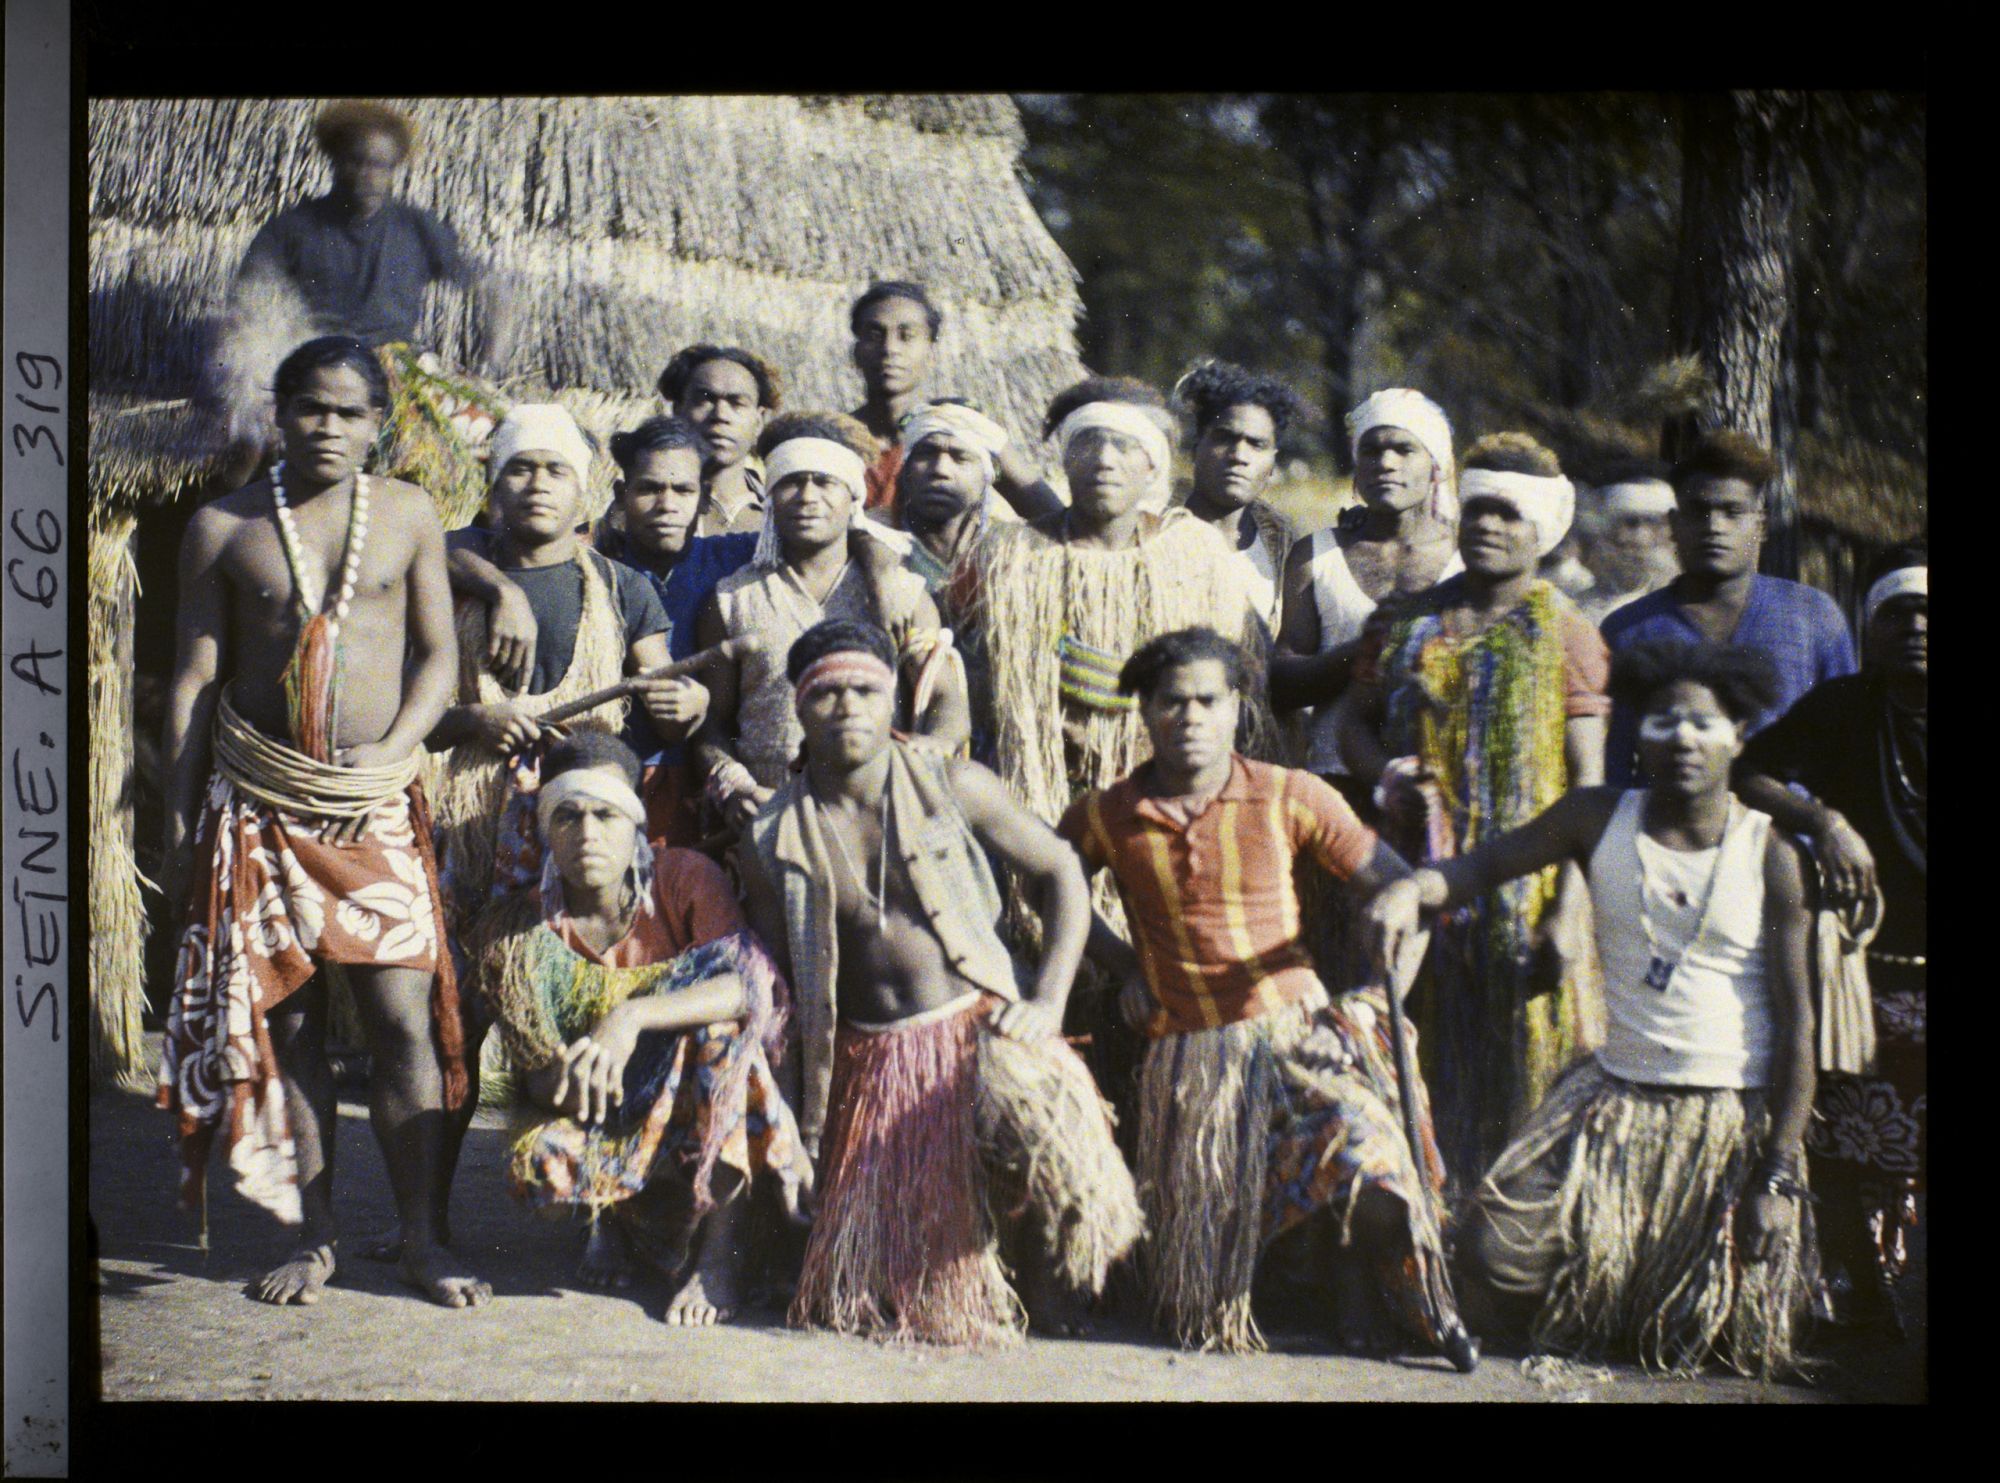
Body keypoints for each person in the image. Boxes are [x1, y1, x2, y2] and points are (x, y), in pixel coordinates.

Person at [1366, 639, 1819, 1377]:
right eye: (1663, 722)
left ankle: (1642, 1286)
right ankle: (1609, 1286)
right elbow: (1482, 865)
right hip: (1613, 1097)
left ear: (1739, 735)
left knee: (1703, 1337)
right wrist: (1412, 889)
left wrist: (1776, 1175)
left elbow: (1801, 1028)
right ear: (1637, 733)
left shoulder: (1770, 853)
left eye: (1704, 724)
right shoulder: (1596, 815)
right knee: (1489, 1257)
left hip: (1728, 1119)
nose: (1682, 741)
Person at [156, 335, 486, 1308]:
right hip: (257, 802)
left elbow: (437, 661)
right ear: (279, 410)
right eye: (311, 407)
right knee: (287, 1022)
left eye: (349, 412)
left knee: (399, 1019)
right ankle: (313, 1233)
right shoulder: (221, 525)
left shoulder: (411, 515)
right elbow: (190, 686)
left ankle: (422, 1236)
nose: (328, 427)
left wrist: (396, 749)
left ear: (378, 424)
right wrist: (178, 828)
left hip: (370, 807)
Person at [1060, 628, 1459, 1359]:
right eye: (1171, 702)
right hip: (1188, 1058)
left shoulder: (1288, 793)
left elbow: (1408, 891)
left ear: (1238, 705)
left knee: (1371, 1156)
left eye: (1208, 700)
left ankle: (1365, 1287)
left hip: (1297, 1033)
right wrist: (1122, 967)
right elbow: (1051, 886)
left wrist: (1374, 1000)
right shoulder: (1105, 814)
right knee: (1197, 1312)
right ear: (1143, 712)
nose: (1190, 717)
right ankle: (1275, 1289)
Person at [742, 620, 1142, 1344]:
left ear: (892, 698)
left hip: (980, 1025)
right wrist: (800, 1128)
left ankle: (1050, 1287)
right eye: (826, 694)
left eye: (865, 690)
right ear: (798, 709)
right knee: (873, 1303)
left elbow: (1060, 872)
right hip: (869, 1062)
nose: (848, 707)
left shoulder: (954, 782)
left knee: (1048, 1129)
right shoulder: (771, 833)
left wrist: (1047, 1000)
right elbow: (782, 989)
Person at [970, 375, 1273, 1132]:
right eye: (1086, 445)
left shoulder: (1194, 557)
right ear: (1061, 464)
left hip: (1161, 827)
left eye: (1125, 447)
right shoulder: (1010, 558)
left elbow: (1244, 693)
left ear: (1154, 470)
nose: (1104, 460)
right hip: (1038, 821)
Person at [1339, 432, 1609, 1197]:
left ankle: (1507, 1253)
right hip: (1409, 876)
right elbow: (1354, 721)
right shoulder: (1402, 623)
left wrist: (1568, 914)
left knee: (1524, 1072)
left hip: (1526, 889)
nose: (1489, 526)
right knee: (1409, 1057)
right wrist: (1383, 772)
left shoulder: (1568, 633)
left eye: (1510, 515)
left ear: (1543, 530)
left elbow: (1589, 784)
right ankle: (1416, 1239)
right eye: (1478, 509)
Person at [470, 733, 811, 1325]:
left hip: (694, 1098)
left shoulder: (684, 878)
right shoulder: (520, 929)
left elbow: (750, 988)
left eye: (606, 815)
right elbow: (542, 1087)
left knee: (725, 1037)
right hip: (598, 1109)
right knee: (541, 1166)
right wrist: (581, 1071)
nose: (587, 835)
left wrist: (628, 1018)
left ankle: (715, 1264)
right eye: (568, 816)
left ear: (635, 825)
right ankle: (609, 1222)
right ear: (546, 830)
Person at [1737, 543, 1926, 1333]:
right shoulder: (1844, 706)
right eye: (1896, 613)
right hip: (1862, 973)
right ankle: (1860, 1297)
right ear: (1869, 628)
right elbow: (1749, 772)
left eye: (1928, 612)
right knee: (1845, 1142)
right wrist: (1823, 819)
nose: (1915, 626)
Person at [426, 404, 704, 924]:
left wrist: (691, 701)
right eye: (520, 468)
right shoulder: (451, 579)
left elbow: (669, 715)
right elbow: (418, 720)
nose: (538, 485)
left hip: (580, 822)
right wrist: (475, 719)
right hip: (464, 820)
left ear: (583, 493)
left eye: (557, 470)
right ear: (495, 484)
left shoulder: (622, 587)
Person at [694, 412, 969, 832]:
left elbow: (946, 700)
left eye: (824, 482)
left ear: (853, 498)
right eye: (791, 482)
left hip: (881, 813)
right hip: (771, 816)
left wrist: (929, 754)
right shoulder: (733, 599)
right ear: (768, 497)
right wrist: (732, 784)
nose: (807, 496)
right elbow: (711, 723)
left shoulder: (901, 596)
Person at [1601, 431, 1856, 785]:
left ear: (1760, 526)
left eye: (1732, 512)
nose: (1714, 527)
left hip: (1784, 827)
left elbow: (1847, 745)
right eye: (1699, 511)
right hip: (1667, 826)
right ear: (1674, 525)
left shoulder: (1813, 616)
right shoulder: (1628, 629)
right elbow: (1614, 763)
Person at [1274, 388, 1462, 811]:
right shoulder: (1318, 555)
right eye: (1372, 450)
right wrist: (1365, 650)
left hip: (1441, 788)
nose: (1386, 463)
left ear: (1435, 465)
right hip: (1337, 786)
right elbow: (1282, 682)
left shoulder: (1467, 557)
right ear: (1357, 465)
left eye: (1403, 449)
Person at [591, 416, 758, 842]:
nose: (667, 504)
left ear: (704, 500)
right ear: (620, 495)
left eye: (683, 490)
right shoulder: (593, 567)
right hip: (611, 772)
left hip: (706, 776)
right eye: (648, 488)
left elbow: (849, 534)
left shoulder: (734, 558)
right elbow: (467, 542)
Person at [233, 102, 474, 353]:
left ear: (394, 169)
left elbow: (489, 287)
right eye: (355, 162)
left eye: (380, 165)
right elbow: (245, 300)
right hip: (319, 361)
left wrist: (490, 361)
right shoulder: (290, 228)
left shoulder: (417, 227)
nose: (367, 175)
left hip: (397, 367)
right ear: (334, 160)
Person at [1173, 360, 1307, 633]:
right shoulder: (1154, 532)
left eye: (1256, 444)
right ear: (1196, 447)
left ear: (1272, 463)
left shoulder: (1285, 550)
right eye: (1224, 439)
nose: (1238, 456)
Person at [657, 344, 783, 538]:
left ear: (758, 421)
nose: (720, 415)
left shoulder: (783, 515)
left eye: (737, 403)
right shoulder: (644, 508)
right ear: (678, 412)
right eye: (705, 400)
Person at [848, 281, 942, 511]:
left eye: (906, 336)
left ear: (931, 354)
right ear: (856, 353)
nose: (890, 348)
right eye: (874, 335)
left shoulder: (952, 439)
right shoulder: (833, 440)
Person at [1575, 459, 1680, 625]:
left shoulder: (1691, 608)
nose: (1641, 537)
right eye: (1631, 523)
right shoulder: (1577, 611)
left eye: (1655, 523)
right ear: (1605, 532)